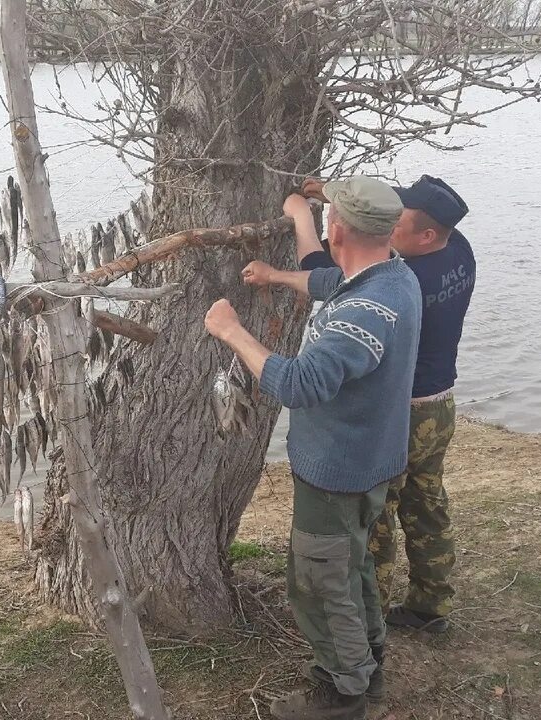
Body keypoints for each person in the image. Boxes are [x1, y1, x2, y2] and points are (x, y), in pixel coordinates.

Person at [205, 176, 421, 720]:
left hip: (338, 471)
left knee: (319, 584)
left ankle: (343, 693)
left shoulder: (366, 311)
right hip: (371, 460)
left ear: (339, 228)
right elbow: (330, 278)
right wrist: (291, 246)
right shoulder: (394, 277)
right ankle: (367, 664)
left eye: (327, 219)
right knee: (352, 569)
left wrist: (231, 331)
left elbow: (300, 383)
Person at [295, 175, 475, 633]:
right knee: (427, 501)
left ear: (427, 235)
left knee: (376, 513)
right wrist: (333, 194)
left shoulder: (403, 280)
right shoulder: (459, 251)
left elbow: (328, 275)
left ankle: (365, 612)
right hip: (440, 404)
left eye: (399, 224)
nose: (390, 227)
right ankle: (431, 604)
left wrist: (301, 216)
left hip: (402, 413)